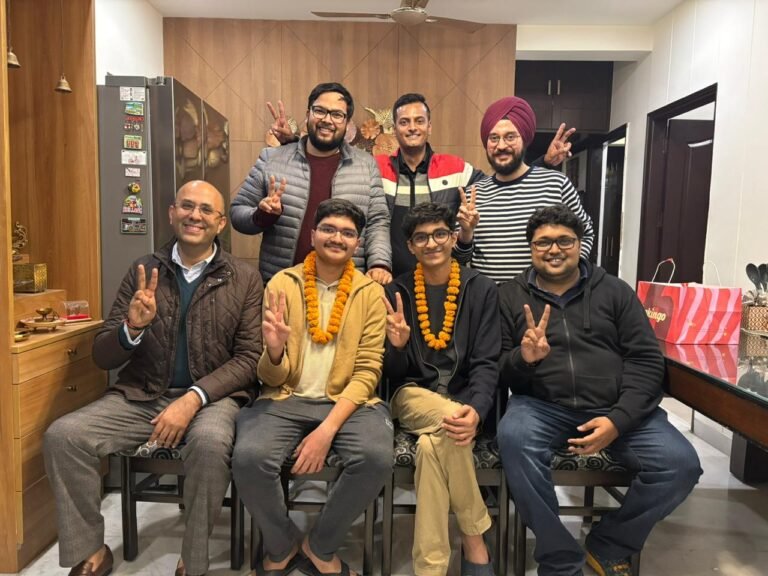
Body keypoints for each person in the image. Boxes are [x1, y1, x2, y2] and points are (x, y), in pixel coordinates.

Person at [43, 180, 263, 576]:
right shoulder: (144, 270)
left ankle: (193, 561)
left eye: (206, 210)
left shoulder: (244, 277)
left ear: (220, 223)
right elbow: (103, 355)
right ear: (171, 213)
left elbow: (249, 359)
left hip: (213, 400)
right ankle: (90, 550)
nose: (195, 215)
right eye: (187, 206)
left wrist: (193, 398)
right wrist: (132, 327)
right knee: (65, 436)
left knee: (210, 444)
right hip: (142, 395)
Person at [496, 204, 702, 576]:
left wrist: (618, 421)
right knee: (514, 437)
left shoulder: (615, 291)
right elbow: (498, 367)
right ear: (530, 248)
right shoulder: (510, 296)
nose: (554, 249)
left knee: (680, 464)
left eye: (565, 241)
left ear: (580, 245)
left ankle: (610, 543)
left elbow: (645, 360)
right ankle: (558, 557)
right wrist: (524, 359)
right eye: (543, 242)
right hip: (543, 406)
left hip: (616, 406)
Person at [232, 198, 393, 576]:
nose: (337, 238)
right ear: (312, 234)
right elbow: (270, 378)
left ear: (358, 244)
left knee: (375, 458)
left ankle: (319, 545)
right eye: (329, 229)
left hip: (349, 402)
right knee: (249, 458)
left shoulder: (370, 293)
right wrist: (274, 351)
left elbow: (368, 371)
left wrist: (327, 430)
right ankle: (282, 544)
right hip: (284, 398)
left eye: (348, 233)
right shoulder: (283, 283)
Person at [265, 92, 575, 278]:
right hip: (386, 279)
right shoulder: (374, 167)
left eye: (419, 121)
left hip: (443, 282)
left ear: (429, 126)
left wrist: (543, 165)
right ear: (395, 128)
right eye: (404, 122)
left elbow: (503, 181)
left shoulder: (456, 168)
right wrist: (294, 144)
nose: (412, 128)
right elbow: (331, 161)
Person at [382, 203, 501, 576]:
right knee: (452, 421)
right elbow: (391, 375)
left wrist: (477, 409)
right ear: (410, 246)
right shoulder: (396, 291)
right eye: (421, 237)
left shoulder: (480, 289)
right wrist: (397, 347)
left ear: (453, 238)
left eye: (439, 234)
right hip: (411, 395)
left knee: (433, 447)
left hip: (464, 400)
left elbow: (487, 362)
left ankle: (430, 568)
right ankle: (474, 539)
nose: (431, 243)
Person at [230, 82, 392, 284]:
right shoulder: (272, 159)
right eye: (320, 111)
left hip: (345, 287)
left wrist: (379, 263)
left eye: (337, 114)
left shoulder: (366, 165)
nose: (327, 120)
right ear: (308, 114)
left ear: (347, 122)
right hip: (283, 284)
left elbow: (377, 221)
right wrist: (262, 216)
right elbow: (237, 213)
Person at [455, 96, 595, 284]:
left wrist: (566, 273)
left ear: (525, 139)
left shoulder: (556, 184)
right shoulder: (473, 195)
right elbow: (459, 260)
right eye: (494, 138)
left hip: (544, 297)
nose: (501, 145)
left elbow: (586, 233)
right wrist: (466, 234)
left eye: (510, 137)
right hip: (489, 300)